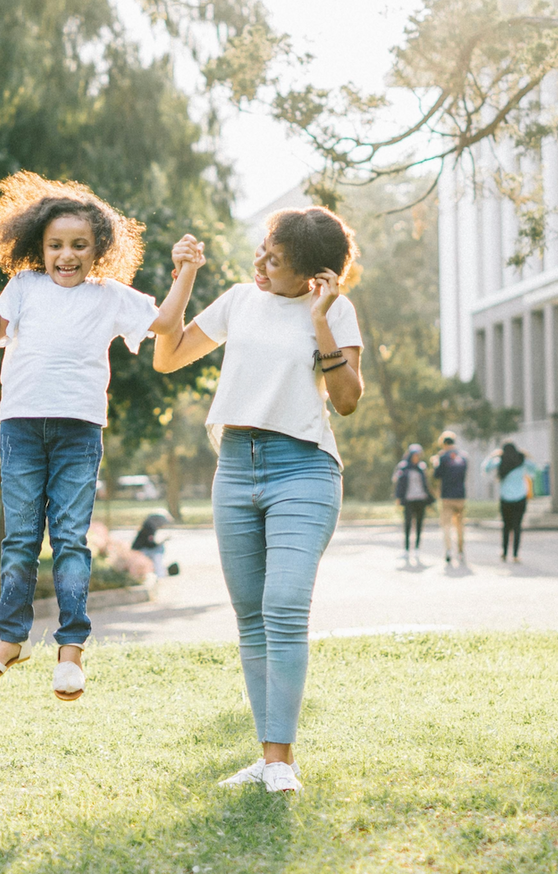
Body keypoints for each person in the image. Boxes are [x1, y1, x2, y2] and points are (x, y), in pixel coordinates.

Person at [0, 171, 204, 701]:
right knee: (21, 539)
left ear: (100, 250)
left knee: (71, 539)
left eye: (79, 245)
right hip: (21, 426)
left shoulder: (109, 296)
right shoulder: (25, 287)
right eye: (55, 245)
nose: (66, 255)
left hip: (79, 431)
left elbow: (167, 323)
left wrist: (186, 271)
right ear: (39, 246)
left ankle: (70, 652)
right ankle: (10, 642)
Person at [154, 205, 363, 794]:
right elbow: (167, 357)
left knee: (284, 605)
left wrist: (320, 319)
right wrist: (185, 276)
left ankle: (279, 762)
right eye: (264, 250)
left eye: (277, 260)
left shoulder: (336, 310)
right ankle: (271, 758)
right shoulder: (240, 300)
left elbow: (348, 400)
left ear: (314, 275)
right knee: (251, 618)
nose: (262, 263)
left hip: (304, 468)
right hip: (235, 467)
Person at [483, 442, 541, 563]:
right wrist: (527, 455)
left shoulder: (500, 461)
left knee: (506, 526)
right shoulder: (522, 461)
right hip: (520, 498)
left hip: (505, 498)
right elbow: (535, 468)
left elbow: (485, 468)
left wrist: (492, 455)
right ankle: (515, 554)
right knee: (517, 526)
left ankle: (504, 553)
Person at [430, 430, 469, 564]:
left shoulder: (442, 457)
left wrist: (435, 462)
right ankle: (461, 551)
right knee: (460, 525)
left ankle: (448, 550)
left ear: (444, 444)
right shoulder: (463, 456)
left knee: (446, 525)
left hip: (447, 496)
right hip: (460, 496)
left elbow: (436, 475)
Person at [392, 444, 433, 554]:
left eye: (418, 455)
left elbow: (426, 484)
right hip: (408, 499)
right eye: (414, 455)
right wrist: (398, 497)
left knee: (419, 524)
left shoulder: (422, 467)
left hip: (421, 499)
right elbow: (398, 483)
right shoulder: (403, 467)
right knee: (408, 524)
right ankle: (406, 548)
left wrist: (429, 499)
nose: (416, 458)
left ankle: (417, 548)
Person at [132, 512, 174, 577]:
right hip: (140, 551)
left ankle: (159, 571)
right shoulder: (149, 528)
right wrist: (162, 542)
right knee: (159, 550)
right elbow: (150, 544)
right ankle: (159, 572)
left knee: (158, 549)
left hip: (141, 549)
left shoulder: (148, 526)